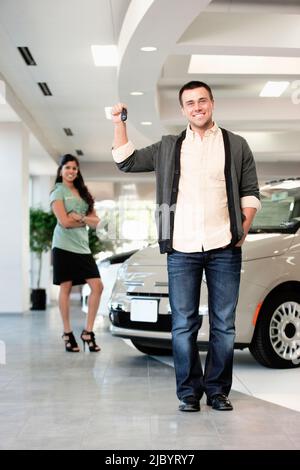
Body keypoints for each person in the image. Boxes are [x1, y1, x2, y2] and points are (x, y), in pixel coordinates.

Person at [111, 81, 261, 412]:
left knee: (224, 324)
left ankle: (218, 391)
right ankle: (188, 393)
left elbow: (250, 191)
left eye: (202, 101)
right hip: (181, 247)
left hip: (224, 245)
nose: (197, 107)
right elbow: (126, 161)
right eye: (190, 103)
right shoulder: (168, 146)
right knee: (183, 323)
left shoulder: (236, 145)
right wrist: (119, 122)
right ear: (183, 110)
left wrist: (244, 226)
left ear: (212, 103)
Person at [50, 154, 103, 353]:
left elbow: (96, 221)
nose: (71, 171)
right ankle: (67, 332)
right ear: (61, 171)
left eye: (74, 168)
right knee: (66, 287)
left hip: (82, 248)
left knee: (97, 286)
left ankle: (88, 332)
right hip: (63, 246)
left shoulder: (83, 193)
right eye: (67, 168)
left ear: (77, 171)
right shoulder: (57, 192)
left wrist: (78, 217)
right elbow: (64, 221)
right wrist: (84, 219)